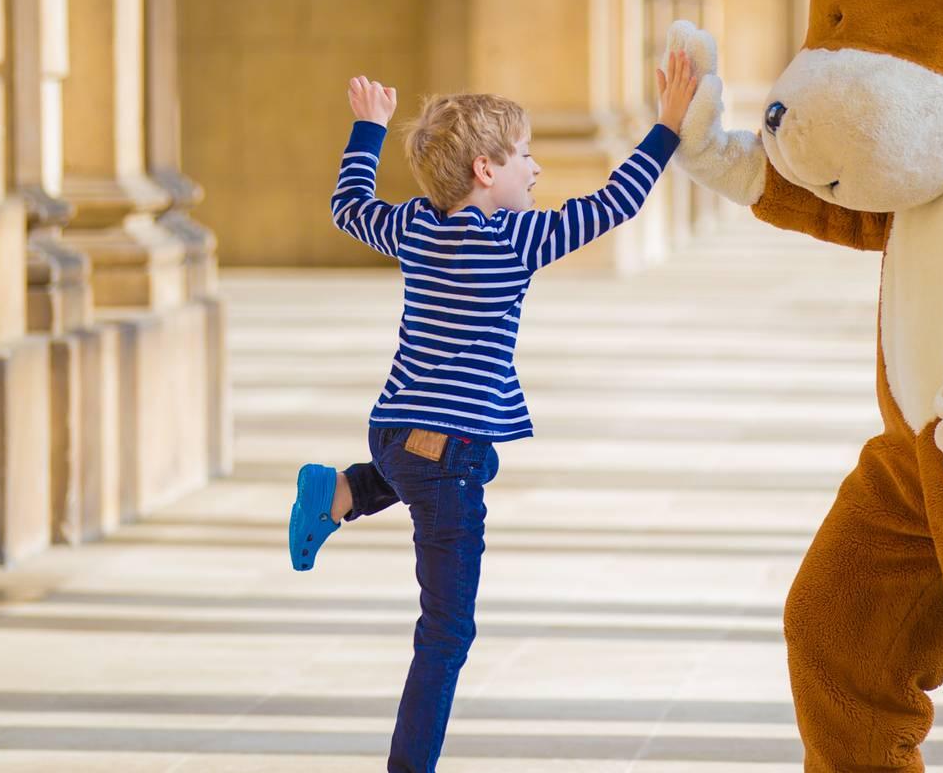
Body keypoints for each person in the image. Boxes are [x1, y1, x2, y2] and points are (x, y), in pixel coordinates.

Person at [286, 52, 698, 773]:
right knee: (446, 632)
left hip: (392, 433)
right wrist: (666, 126)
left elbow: (348, 208)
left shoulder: (414, 227)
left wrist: (367, 130)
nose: (535, 170)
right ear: (485, 170)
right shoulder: (516, 241)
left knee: (466, 458)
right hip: (443, 455)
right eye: (524, 157)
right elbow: (614, 203)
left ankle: (347, 489)